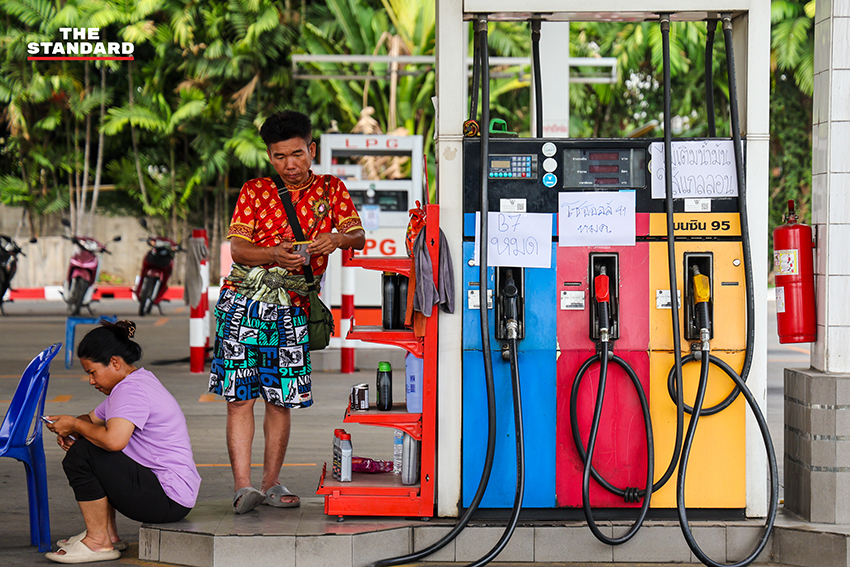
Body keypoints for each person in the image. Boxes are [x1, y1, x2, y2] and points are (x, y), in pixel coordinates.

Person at [209, 110, 365, 514]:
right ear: (269, 156)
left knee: (281, 401)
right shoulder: (255, 190)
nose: (290, 165)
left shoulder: (332, 189)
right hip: (245, 302)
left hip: (295, 309)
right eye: (279, 157)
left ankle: (272, 483)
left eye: (297, 154)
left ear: (312, 149)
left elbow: (358, 235)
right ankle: (244, 487)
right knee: (239, 399)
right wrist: (272, 254)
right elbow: (239, 249)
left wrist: (336, 238)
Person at [43, 320, 201, 564]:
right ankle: (109, 535)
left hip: (168, 499)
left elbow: (114, 441)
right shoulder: (133, 383)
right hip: (173, 495)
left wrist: (75, 426)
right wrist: (75, 428)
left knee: (83, 454)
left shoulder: (131, 391)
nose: (92, 381)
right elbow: (92, 420)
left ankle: (98, 542)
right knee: (88, 444)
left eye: (92, 372)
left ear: (114, 362)